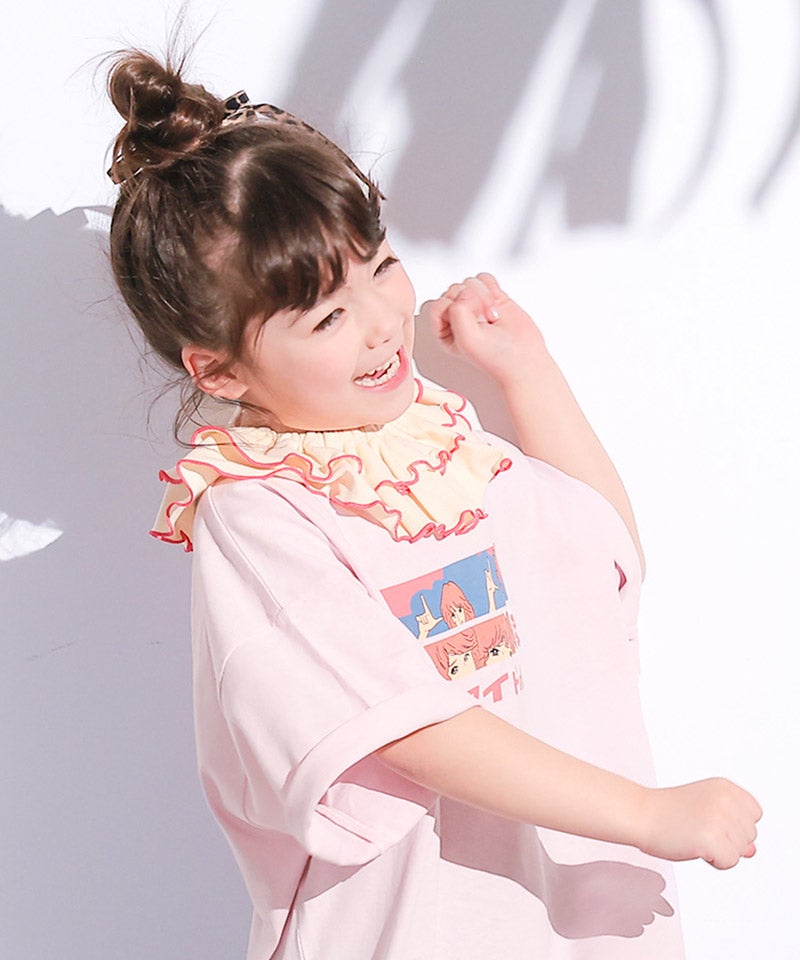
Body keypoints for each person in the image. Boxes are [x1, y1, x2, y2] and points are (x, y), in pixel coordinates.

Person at [105, 48, 761, 960]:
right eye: (327, 317)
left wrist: (528, 373)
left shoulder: (429, 437)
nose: (383, 322)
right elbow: (404, 725)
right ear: (218, 370)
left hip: (574, 909)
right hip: (425, 928)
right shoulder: (259, 515)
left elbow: (599, 556)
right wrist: (645, 815)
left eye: (381, 265)